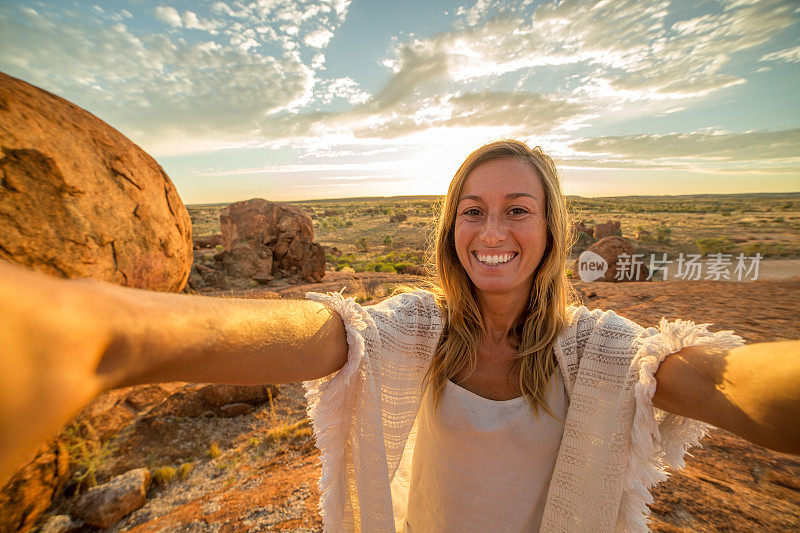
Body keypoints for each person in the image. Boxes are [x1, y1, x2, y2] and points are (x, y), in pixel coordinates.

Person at [0, 139, 797, 532]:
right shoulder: (416, 328)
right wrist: (109, 333)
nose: (492, 229)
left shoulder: (604, 349)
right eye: (472, 209)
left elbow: (721, 380)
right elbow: (325, 331)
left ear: (553, 227)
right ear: (452, 225)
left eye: (517, 208)